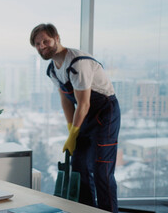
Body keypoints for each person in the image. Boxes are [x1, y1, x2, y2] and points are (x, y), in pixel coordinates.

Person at [30, 23, 120, 212]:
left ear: (57, 38)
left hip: (105, 114)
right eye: (37, 44)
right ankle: (87, 210)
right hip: (85, 114)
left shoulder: (77, 62)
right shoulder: (53, 69)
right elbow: (66, 100)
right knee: (79, 166)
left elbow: (84, 103)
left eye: (45, 41)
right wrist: (71, 129)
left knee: (101, 170)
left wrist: (74, 133)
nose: (41, 46)